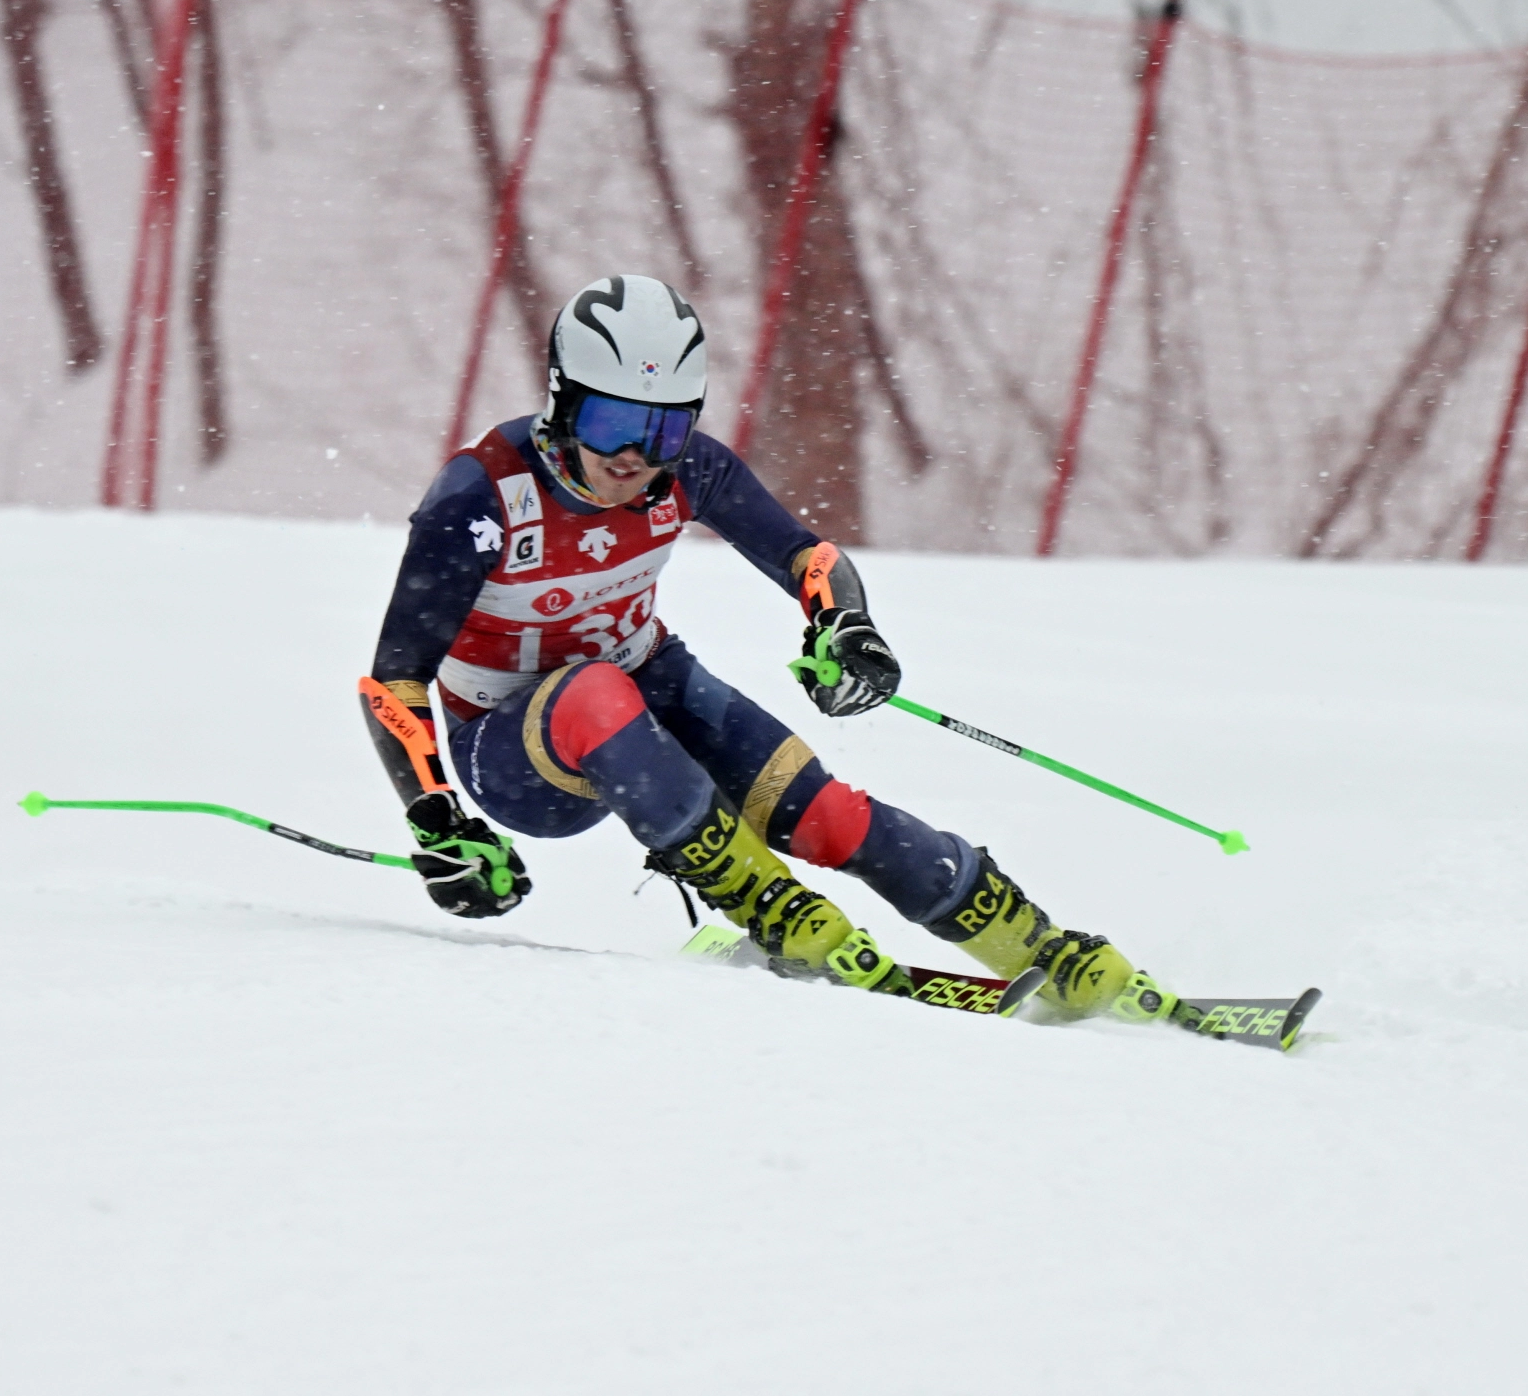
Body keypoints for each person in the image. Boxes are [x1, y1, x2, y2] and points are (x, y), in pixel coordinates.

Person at [358, 274, 1177, 1023]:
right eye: (610, 423)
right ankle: (776, 910)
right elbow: (393, 678)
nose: (633, 457)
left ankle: (1037, 946)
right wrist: (438, 820)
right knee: (595, 687)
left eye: (664, 429)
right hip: (513, 754)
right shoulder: (481, 496)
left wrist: (842, 624)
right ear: (561, 403)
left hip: (648, 685)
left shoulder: (686, 473)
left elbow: (810, 557)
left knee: (824, 810)